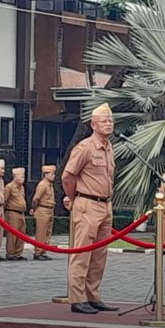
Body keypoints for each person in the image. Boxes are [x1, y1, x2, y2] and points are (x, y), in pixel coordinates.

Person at [62, 103, 119, 314]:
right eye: (104, 121)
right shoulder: (84, 147)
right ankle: (77, 299)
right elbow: (67, 176)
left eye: (111, 120)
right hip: (86, 204)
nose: (109, 124)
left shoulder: (110, 148)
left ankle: (93, 295)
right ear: (94, 125)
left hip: (105, 205)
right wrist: (73, 198)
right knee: (82, 254)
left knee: (99, 255)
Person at [30, 165, 56, 261]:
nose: (54, 176)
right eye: (52, 174)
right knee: (41, 232)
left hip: (49, 210)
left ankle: (43, 251)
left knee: (47, 232)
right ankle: (38, 252)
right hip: (42, 210)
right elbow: (36, 198)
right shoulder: (42, 185)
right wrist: (34, 208)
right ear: (46, 174)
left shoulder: (50, 185)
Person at [4, 167, 28, 260]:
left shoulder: (22, 188)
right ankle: (11, 253)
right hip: (12, 212)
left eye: (24, 176)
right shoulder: (9, 187)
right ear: (15, 177)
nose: (23, 178)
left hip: (21, 213)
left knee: (21, 233)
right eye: (21, 176)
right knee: (12, 234)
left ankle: (18, 252)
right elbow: (5, 200)